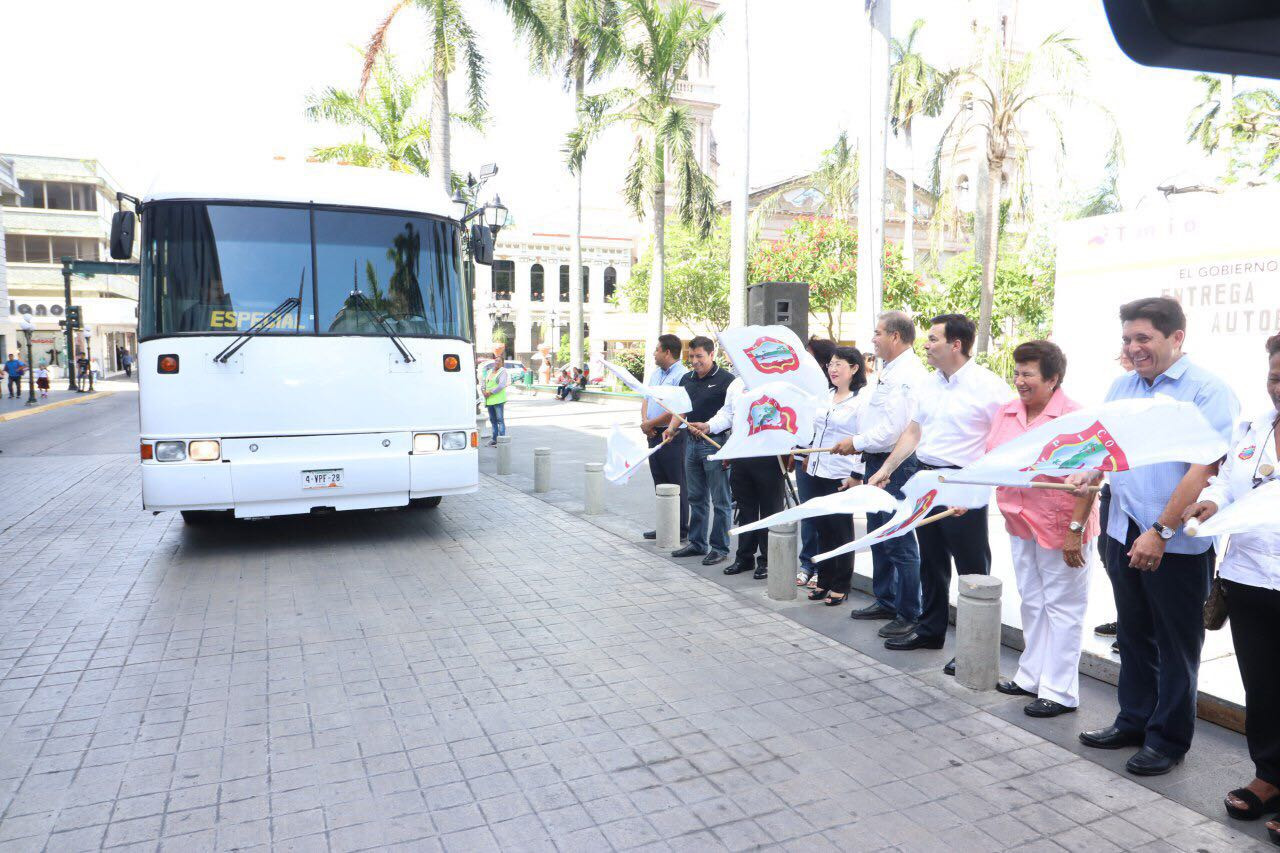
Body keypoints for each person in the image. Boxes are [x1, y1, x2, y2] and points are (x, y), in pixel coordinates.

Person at [1072, 296, 1238, 777]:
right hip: (1122, 530)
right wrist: (1088, 472)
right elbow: (1107, 445)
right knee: (1133, 633)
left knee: (1175, 643)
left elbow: (1204, 468)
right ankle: (1134, 720)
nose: (1134, 348)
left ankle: (1168, 739)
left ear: (1176, 338)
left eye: (1144, 338)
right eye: (1127, 339)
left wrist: (1161, 532)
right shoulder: (1123, 385)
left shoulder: (1208, 391)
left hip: (1175, 542)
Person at [864, 314, 1012, 674]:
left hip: (965, 481)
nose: (926, 345)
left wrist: (977, 488)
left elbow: (1004, 442)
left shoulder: (989, 387)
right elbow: (914, 432)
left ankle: (975, 644)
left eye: (933, 339)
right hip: (926, 477)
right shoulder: (930, 384)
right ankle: (930, 630)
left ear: (956, 345)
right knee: (931, 560)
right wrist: (886, 470)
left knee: (972, 567)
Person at [1183, 332, 1280, 828]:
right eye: (1274, 377)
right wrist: (1214, 501)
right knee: (1262, 685)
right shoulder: (1254, 427)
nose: (1279, 387)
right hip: (1247, 578)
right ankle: (1269, 774)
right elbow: (1227, 480)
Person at [985, 341, 1100, 717]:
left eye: (1028, 374)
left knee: (1063, 607)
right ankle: (1030, 676)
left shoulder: (1076, 418)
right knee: (1033, 601)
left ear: (1053, 379)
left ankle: (1061, 691)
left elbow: (1092, 478)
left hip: (1061, 526)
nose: (1019, 381)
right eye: (1016, 373)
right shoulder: (1006, 413)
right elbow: (993, 461)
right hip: (1020, 522)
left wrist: (1075, 530)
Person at [831, 311, 930, 638]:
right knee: (878, 534)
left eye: (877, 333)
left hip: (896, 465)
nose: (872, 339)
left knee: (898, 538)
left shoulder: (909, 375)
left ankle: (908, 611)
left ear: (896, 337)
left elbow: (893, 431)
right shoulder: (889, 371)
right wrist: (859, 458)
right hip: (875, 460)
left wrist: (855, 443)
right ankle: (886, 599)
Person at [688, 375, 783, 579]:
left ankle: (767, 560)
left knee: (769, 511)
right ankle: (744, 557)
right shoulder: (737, 382)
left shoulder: (777, 381)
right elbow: (728, 414)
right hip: (740, 453)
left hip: (768, 455)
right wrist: (708, 426)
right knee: (746, 510)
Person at [804, 346, 870, 605]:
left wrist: (857, 474)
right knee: (822, 528)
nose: (832, 369)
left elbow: (864, 441)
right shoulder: (825, 396)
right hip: (816, 470)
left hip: (841, 475)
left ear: (854, 368)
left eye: (839, 364)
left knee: (840, 530)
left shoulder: (861, 401)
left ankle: (841, 584)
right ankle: (824, 579)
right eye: (831, 364)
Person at [665, 336, 735, 565]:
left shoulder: (727, 380)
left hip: (715, 443)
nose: (695, 361)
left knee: (721, 499)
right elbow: (681, 410)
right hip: (691, 443)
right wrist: (672, 429)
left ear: (711, 355)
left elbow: (731, 415)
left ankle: (719, 548)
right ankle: (697, 543)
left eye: (699, 357)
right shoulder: (686, 379)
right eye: (692, 357)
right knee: (696, 497)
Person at [795, 338, 837, 587]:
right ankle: (807, 564)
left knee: (827, 517)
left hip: (828, 461)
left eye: (809, 356)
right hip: (804, 458)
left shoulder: (833, 391)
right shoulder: (804, 387)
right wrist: (798, 454)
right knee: (808, 514)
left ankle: (825, 567)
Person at [640, 335, 690, 542]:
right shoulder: (655, 374)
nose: (654, 353)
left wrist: (652, 423)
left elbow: (678, 409)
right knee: (659, 480)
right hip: (653, 433)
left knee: (676, 482)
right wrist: (645, 422)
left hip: (673, 434)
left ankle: (680, 530)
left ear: (667, 352)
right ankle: (664, 525)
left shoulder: (682, 375)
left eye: (657, 349)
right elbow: (646, 398)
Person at [481, 356, 510, 447]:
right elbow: (484, 382)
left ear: (502, 363)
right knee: (493, 420)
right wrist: (483, 391)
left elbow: (501, 385)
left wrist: (490, 392)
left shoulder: (503, 371)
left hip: (498, 400)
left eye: (499, 361)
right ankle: (494, 439)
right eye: (496, 360)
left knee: (500, 420)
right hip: (489, 400)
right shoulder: (489, 371)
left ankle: (501, 440)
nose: (497, 362)